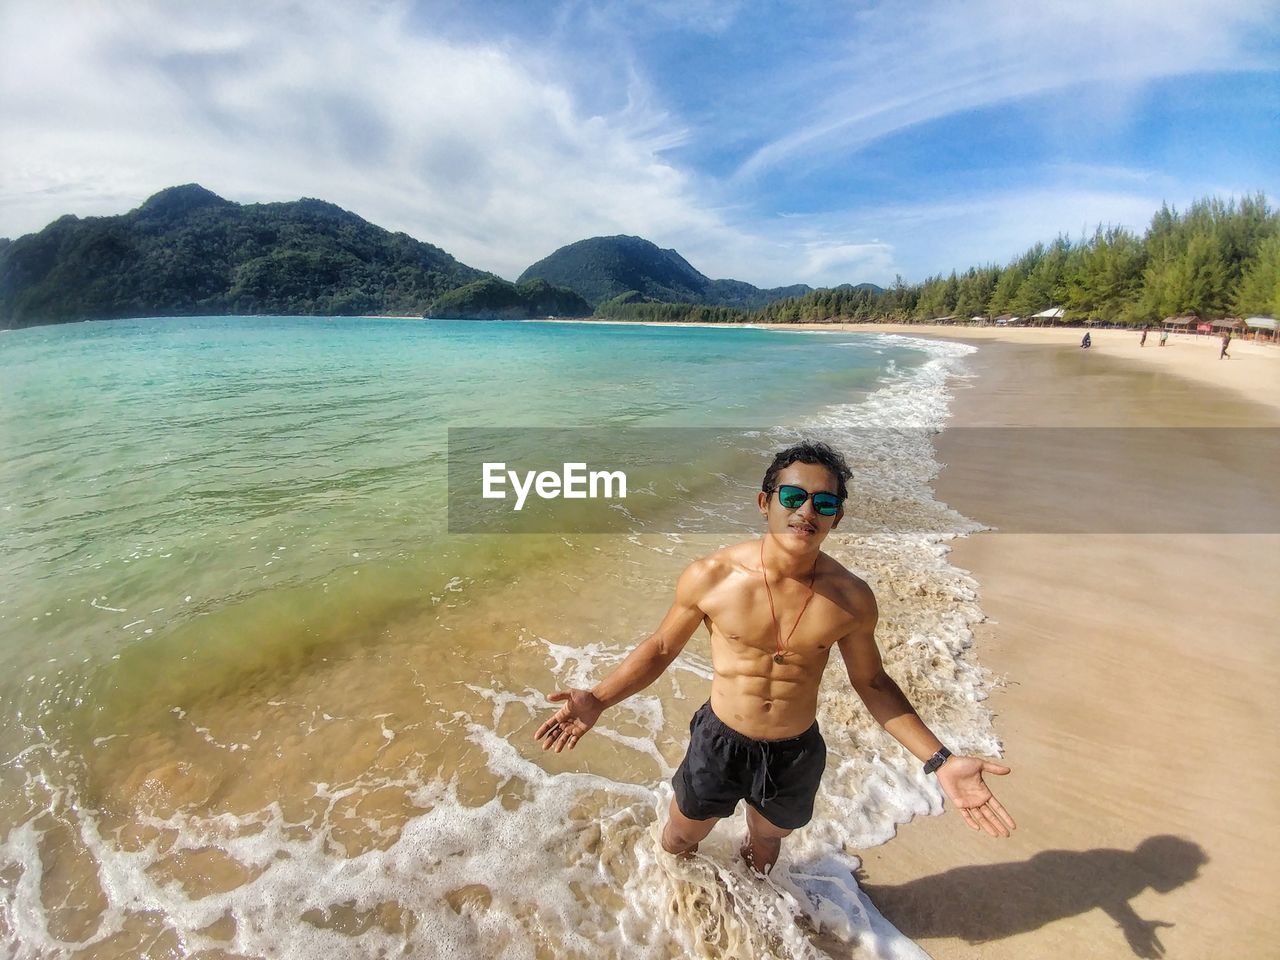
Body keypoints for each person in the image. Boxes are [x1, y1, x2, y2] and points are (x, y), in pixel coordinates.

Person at [535, 442, 1015, 875]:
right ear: (765, 503)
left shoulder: (851, 598)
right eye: (793, 497)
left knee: (766, 846)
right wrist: (597, 699)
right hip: (719, 742)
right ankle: (676, 902)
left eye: (824, 503)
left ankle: (759, 916)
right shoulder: (712, 577)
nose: (807, 510)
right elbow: (661, 649)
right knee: (681, 836)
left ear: (836, 518)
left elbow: (872, 684)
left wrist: (941, 761)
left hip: (794, 752)